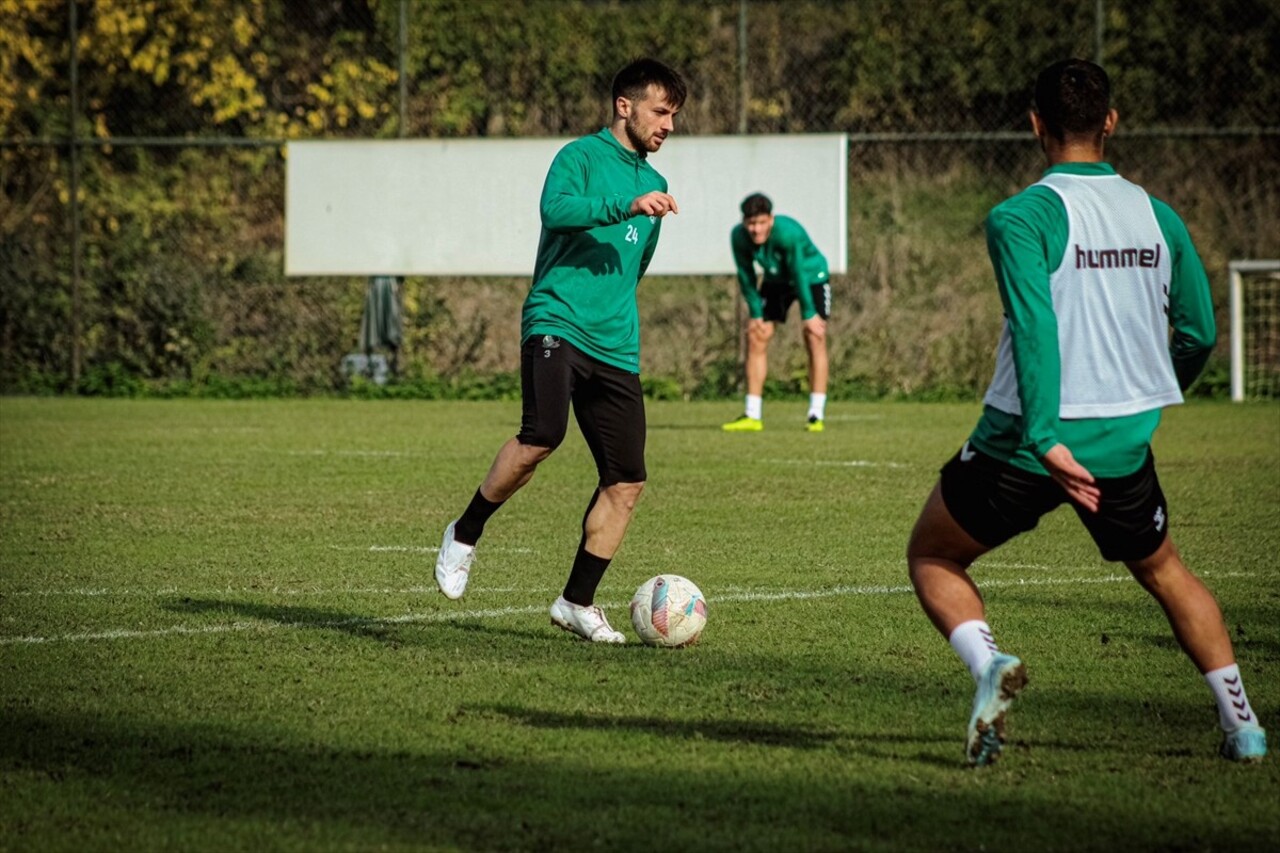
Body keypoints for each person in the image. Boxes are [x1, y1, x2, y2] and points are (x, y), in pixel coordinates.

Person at [905, 59, 1267, 766]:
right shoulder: (1158, 215)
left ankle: (989, 666)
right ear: (1111, 122)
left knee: (933, 553)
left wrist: (1044, 435)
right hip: (1120, 445)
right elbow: (1198, 333)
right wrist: (1145, 399)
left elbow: (1035, 325)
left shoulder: (1019, 217)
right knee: (1166, 572)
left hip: (1026, 440)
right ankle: (1243, 725)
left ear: (1035, 124)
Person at [433, 58, 687, 643]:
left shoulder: (659, 186)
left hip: (616, 346)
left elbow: (634, 267)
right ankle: (464, 532)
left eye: (675, 115)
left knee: (626, 482)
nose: (669, 124)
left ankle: (576, 601)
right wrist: (624, 205)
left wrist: (640, 214)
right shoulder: (578, 157)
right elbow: (556, 211)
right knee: (542, 436)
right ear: (625, 106)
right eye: (661, 111)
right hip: (556, 321)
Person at [722, 193, 831, 432]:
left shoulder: (788, 232)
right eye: (751, 223)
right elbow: (746, 275)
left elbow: (798, 272)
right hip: (776, 281)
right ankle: (752, 415)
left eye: (761, 223)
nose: (756, 229)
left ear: (771, 219)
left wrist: (809, 314)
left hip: (811, 277)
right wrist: (756, 313)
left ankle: (815, 414)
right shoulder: (738, 237)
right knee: (756, 335)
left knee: (814, 336)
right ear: (744, 222)